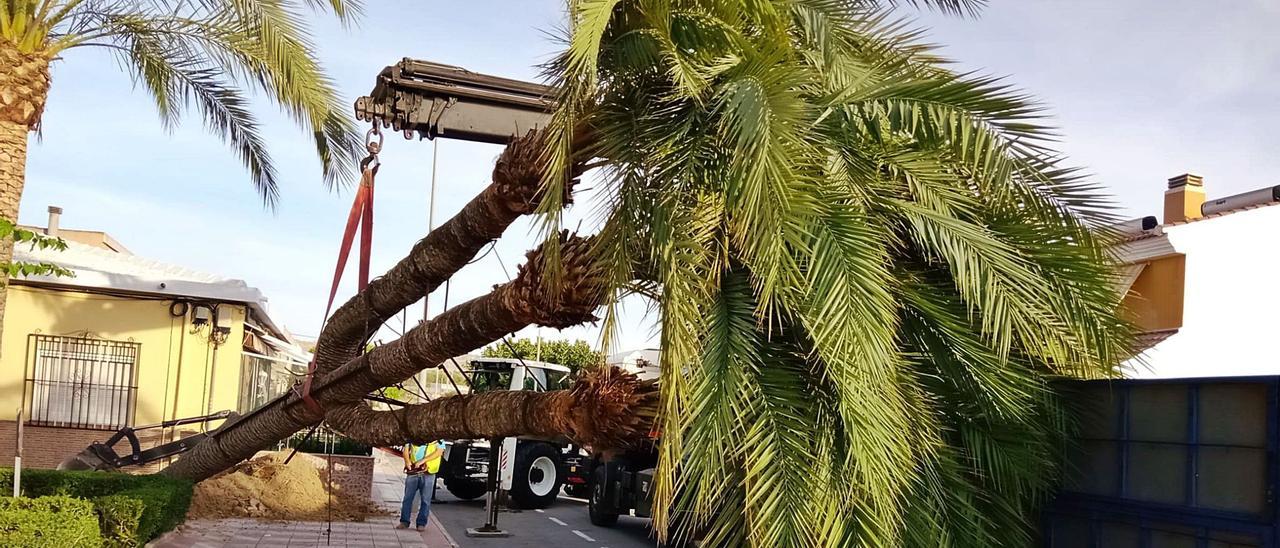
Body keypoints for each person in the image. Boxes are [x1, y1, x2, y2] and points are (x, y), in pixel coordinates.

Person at [398, 440, 444, 531]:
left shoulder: (438, 438)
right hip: (414, 471)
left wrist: (423, 461)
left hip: (429, 472)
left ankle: (421, 523)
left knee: (425, 500)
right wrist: (407, 462)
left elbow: (439, 452)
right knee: (407, 498)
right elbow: (406, 449)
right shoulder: (413, 435)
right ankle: (404, 521)